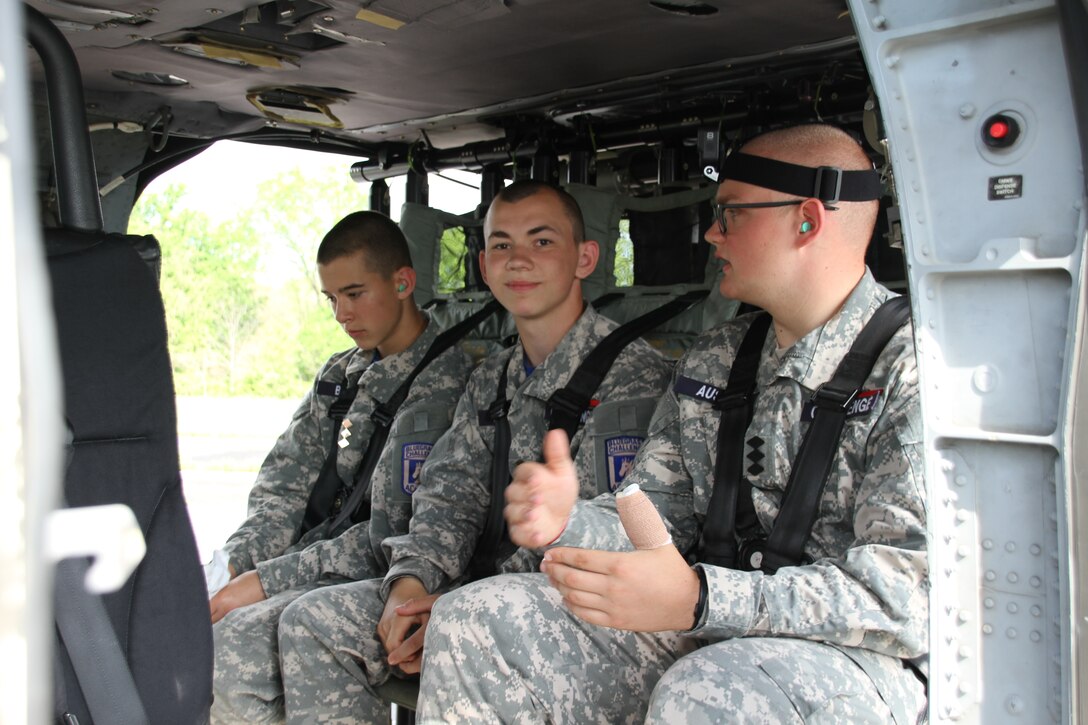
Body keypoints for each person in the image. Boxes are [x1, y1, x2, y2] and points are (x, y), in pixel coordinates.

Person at [417, 124, 929, 723]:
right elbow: (654, 517)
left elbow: (904, 597)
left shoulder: (912, 367)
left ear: (807, 221)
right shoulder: (718, 357)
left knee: (708, 688)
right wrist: (565, 520)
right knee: (474, 619)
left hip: (850, 661)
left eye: (730, 214)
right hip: (705, 628)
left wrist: (705, 598)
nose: (712, 233)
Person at [276, 180, 674, 722]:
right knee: (312, 621)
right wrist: (411, 585)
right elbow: (448, 496)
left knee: (464, 621)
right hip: (485, 599)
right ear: (484, 267)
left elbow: (596, 545)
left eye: (541, 242)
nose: (519, 261)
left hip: (592, 614)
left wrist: (452, 605)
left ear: (585, 258)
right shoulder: (492, 378)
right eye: (502, 246)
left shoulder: (633, 376)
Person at [208, 211, 474, 723]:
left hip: (389, 573)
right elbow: (282, 490)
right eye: (331, 299)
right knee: (216, 622)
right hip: (316, 564)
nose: (341, 314)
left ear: (403, 282)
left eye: (354, 294)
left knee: (238, 640)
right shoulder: (340, 375)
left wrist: (267, 580)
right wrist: (235, 567)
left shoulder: (448, 381)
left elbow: (389, 533)